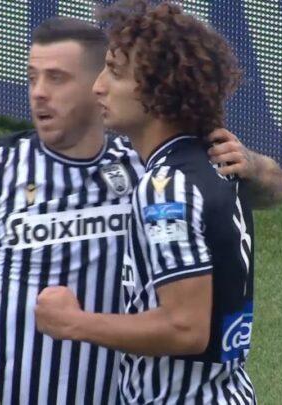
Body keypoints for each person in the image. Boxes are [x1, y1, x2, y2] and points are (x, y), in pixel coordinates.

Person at [0, 16, 282, 405]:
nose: (39, 93)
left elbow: (266, 193)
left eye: (57, 79)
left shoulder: (150, 173)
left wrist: (254, 165)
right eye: (32, 78)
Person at [35, 2, 259, 404]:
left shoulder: (166, 188)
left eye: (115, 72)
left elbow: (185, 329)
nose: (98, 86)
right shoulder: (216, 161)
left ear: (159, 89)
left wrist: (73, 323)